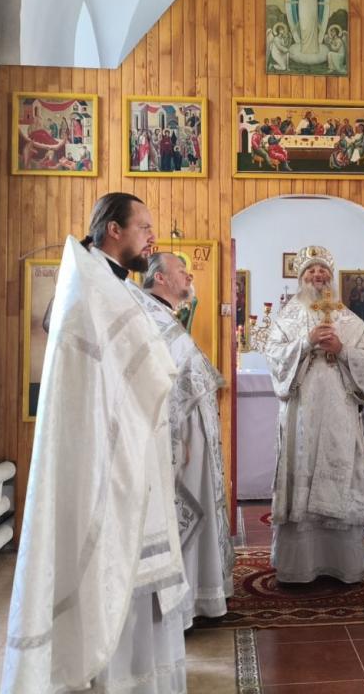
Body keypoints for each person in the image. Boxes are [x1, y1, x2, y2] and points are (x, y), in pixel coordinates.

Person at [3, 192, 188, 694]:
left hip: (129, 441)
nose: (152, 237)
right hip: (105, 449)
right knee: (108, 558)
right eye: (143, 227)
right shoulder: (90, 286)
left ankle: (134, 679)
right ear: (113, 230)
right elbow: (139, 368)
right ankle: (113, 679)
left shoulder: (108, 283)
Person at [263, 245, 364, 583]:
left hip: (340, 412)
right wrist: (306, 342)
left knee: (339, 474)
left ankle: (344, 566)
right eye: (311, 271)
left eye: (323, 270)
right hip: (301, 415)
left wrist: (342, 350)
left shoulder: (350, 320)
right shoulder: (288, 317)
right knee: (301, 475)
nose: (318, 275)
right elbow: (273, 355)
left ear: (331, 277)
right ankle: (299, 568)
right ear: (301, 278)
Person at [139, 253, 235, 629]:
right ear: (161, 278)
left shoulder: (163, 315)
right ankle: (184, 604)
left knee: (201, 509)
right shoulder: (149, 315)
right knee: (186, 511)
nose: (189, 276)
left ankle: (201, 594)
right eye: (182, 271)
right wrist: (177, 436)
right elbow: (159, 382)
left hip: (191, 434)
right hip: (179, 438)